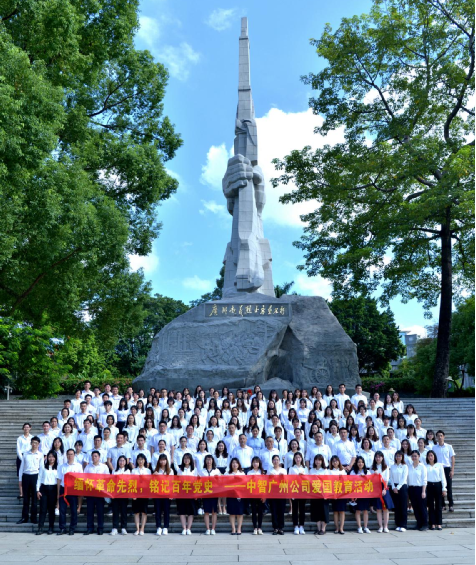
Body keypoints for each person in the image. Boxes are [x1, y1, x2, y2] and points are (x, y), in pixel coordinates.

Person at [17, 436, 44, 525]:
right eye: (33, 442)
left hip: (35, 476)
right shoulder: (25, 454)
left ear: (38, 444)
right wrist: (20, 479)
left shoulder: (40, 455)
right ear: (30, 443)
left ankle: (33, 518)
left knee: (34, 499)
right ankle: (24, 517)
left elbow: (41, 469)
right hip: (26, 476)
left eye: (36, 443)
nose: (34, 444)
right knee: (26, 498)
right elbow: (21, 468)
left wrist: (39, 482)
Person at [57, 449, 83, 535]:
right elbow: (59, 480)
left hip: (73, 489)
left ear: (74, 455)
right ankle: (62, 528)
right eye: (68, 454)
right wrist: (58, 492)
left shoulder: (78, 466)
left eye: (71, 454)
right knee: (62, 510)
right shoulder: (62, 466)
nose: (70, 456)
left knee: (73, 510)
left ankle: (72, 528)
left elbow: (81, 480)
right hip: (63, 489)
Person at [84, 450, 109, 535]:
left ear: (99, 457)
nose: (94, 458)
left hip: (100, 492)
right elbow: (84, 478)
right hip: (90, 492)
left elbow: (107, 478)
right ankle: (90, 528)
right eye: (93, 456)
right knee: (90, 511)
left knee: (100, 511)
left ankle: (100, 528)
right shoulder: (88, 467)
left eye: (96, 456)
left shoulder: (104, 467)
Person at [433, 430, 456, 513]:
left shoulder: (449, 446)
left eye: (441, 435)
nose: (440, 437)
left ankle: (451, 504)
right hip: (438, 469)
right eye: (438, 436)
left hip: (446, 468)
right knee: (440, 487)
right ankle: (442, 505)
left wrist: (452, 470)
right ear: (436, 437)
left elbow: (452, 458)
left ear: (444, 437)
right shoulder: (434, 447)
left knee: (448, 486)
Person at [36, 451, 58, 535]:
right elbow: (39, 478)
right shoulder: (43, 467)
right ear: (47, 458)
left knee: (51, 509)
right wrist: (37, 490)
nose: (51, 458)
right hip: (44, 489)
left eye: (53, 457)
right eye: (49, 457)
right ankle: (40, 528)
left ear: (55, 458)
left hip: (53, 489)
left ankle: (51, 527)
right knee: (43, 509)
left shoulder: (58, 467)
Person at [371, 451, 394, 534]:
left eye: (379, 457)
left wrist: (384, 489)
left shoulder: (386, 467)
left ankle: (385, 526)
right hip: (376, 488)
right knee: (378, 508)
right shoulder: (372, 467)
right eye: (376, 457)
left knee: (385, 508)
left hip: (384, 487)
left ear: (382, 458)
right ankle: (380, 526)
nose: (378, 458)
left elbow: (386, 479)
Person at [153, 454, 174, 536]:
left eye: (164, 460)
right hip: (157, 493)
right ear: (159, 461)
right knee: (158, 511)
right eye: (161, 460)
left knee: (166, 511)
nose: (162, 461)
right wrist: (154, 476)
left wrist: (171, 493)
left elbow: (172, 482)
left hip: (167, 493)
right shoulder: (156, 470)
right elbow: (152, 482)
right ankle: (158, 527)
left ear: (166, 461)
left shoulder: (170, 470)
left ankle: (165, 527)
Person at [426, 450, 447, 531]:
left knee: (438, 505)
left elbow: (443, 477)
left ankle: (439, 523)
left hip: (438, 485)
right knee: (430, 506)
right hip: (429, 486)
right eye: (429, 456)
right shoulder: (425, 466)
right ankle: (432, 523)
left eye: (431, 455)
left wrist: (444, 488)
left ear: (434, 456)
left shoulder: (439, 465)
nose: (430, 457)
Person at [408, 450, 429, 532]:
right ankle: (419, 523)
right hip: (411, 488)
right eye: (412, 456)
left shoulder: (422, 467)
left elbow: (424, 480)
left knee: (422, 507)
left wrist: (423, 491)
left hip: (420, 488)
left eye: (415, 456)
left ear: (419, 456)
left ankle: (425, 524)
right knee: (415, 507)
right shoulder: (409, 466)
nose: (414, 457)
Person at [200, 455, 220, 536]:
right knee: (206, 512)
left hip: (214, 493)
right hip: (205, 493)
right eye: (207, 460)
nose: (209, 461)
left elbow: (220, 481)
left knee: (214, 511)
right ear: (205, 461)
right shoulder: (202, 471)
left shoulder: (216, 471)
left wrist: (217, 479)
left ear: (212, 461)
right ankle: (208, 529)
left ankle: (213, 529)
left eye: (210, 460)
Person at [131, 454, 151, 536]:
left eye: (142, 459)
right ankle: (137, 529)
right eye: (139, 459)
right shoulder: (134, 470)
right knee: (136, 512)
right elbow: (131, 482)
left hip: (144, 493)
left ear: (144, 461)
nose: (140, 461)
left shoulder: (148, 471)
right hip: (136, 492)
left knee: (144, 512)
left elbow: (149, 482)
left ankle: (142, 529)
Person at [350, 456, 371, 534]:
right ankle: (359, 527)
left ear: (364, 463)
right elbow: (350, 483)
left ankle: (365, 527)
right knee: (358, 510)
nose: (360, 463)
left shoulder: (367, 472)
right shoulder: (353, 472)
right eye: (359, 462)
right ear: (356, 463)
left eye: (362, 462)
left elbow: (371, 482)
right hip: (356, 494)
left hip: (365, 494)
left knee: (365, 510)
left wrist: (365, 478)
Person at [309, 455, 330, 535]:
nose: (317, 462)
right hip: (315, 493)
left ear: (322, 461)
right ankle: (318, 528)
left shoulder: (325, 470)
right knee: (316, 510)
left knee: (324, 511)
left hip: (323, 493)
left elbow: (327, 482)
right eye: (316, 460)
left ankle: (323, 529)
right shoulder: (311, 470)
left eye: (319, 460)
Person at [389, 450, 409, 532]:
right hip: (394, 487)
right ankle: (397, 524)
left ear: (402, 457)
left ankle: (403, 525)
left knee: (403, 506)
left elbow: (404, 478)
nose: (398, 457)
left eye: (400, 456)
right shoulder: (392, 466)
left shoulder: (405, 466)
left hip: (402, 487)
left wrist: (398, 487)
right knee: (396, 506)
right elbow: (391, 478)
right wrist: (393, 487)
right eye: (397, 456)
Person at [110, 455, 130, 536]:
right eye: (120, 460)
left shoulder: (128, 471)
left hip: (124, 494)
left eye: (123, 461)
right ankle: (115, 528)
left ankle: (123, 528)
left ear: (126, 462)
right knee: (115, 511)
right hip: (116, 494)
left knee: (123, 511)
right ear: (118, 462)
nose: (121, 462)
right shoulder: (114, 471)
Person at [226, 458, 246, 535]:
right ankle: (233, 528)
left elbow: (245, 484)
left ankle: (239, 528)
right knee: (232, 512)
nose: (234, 464)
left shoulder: (242, 473)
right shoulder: (227, 473)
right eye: (233, 463)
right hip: (230, 495)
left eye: (236, 463)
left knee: (240, 513)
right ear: (231, 464)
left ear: (238, 464)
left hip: (239, 495)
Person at [289, 452, 307, 535]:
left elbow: (309, 479)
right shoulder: (291, 468)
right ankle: (296, 526)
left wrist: (303, 476)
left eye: (299, 457)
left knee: (302, 509)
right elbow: (289, 479)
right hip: (294, 490)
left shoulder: (305, 468)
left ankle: (302, 526)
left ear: (301, 459)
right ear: (294, 459)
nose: (298, 459)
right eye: (296, 458)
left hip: (303, 490)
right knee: (295, 509)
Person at [269, 455, 287, 536]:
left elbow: (286, 481)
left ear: (279, 461)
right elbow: (267, 481)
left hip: (282, 492)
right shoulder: (270, 470)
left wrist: (282, 477)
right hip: (273, 492)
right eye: (274, 460)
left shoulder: (283, 470)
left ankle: (281, 527)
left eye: (277, 460)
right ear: (272, 461)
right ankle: (275, 528)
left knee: (281, 511)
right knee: (274, 511)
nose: (276, 461)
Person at [328, 456, 347, 535]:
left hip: (342, 493)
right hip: (334, 493)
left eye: (336, 461)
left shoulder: (343, 471)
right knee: (335, 511)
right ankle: (336, 527)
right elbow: (328, 482)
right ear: (331, 463)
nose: (335, 462)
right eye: (333, 461)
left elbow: (346, 481)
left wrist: (342, 478)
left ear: (339, 462)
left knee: (342, 511)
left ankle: (341, 528)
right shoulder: (329, 471)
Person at [248, 457, 265, 535]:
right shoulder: (249, 473)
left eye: (257, 462)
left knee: (260, 511)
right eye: (254, 462)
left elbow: (265, 484)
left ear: (259, 463)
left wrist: (264, 495)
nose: (255, 464)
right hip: (252, 494)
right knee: (254, 511)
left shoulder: (262, 472)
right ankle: (255, 527)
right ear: (252, 463)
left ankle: (260, 527)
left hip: (261, 493)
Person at [16, 423, 33, 500]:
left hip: (30, 456)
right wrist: (22, 458)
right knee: (21, 474)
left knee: (29, 473)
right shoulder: (20, 438)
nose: (26, 428)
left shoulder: (32, 437)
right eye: (25, 427)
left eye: (28, 427)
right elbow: (18, 449)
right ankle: (21, 493)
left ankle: (29, 492)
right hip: (21, 457)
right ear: (23, 428)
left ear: (30, 428)